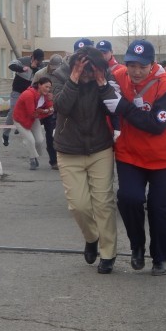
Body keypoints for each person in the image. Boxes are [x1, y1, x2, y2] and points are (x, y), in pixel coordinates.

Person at [104, 40, 166, 276]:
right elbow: (101, 74)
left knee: (160, 209)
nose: (136, 72)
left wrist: (123, 107)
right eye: (132, 65)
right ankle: (137, 245)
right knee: (129, 199)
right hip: (131, 154)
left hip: (165, 157)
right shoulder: (119, 76)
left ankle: (160, 257)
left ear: (152, 65)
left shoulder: (165, 87)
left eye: (142, 66)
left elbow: (156, 126)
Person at [52, 45, 118, 274]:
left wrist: (102, 84)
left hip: (100, 148)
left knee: (104, 203)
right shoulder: (61, 75)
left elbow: (114, 111)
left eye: (94, 70)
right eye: (86, 70)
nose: (89, 74)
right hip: (69, 150)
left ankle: (108, 253)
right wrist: (74, 79)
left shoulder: (104, 77)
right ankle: (91, 237)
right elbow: (61, 106)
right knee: (78, 205)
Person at [2, 48, 45, 146]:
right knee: (13, 111)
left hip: (29, 92)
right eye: (37, 60)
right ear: (33, 57)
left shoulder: (40, 66)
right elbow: (11, 65)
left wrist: (34, 68)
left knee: (29, 111)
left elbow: (41, 76)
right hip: (17, 91)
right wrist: (22, 69)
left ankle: (20, 128)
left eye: (40, 60)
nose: (39, 62)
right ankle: (5, 133)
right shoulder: (23, 60)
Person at [12, 77, 53, 170]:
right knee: (30, 140)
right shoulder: (28, 94)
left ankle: (34, 154)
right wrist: (46, 110)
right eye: (46, 87)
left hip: (33, 118)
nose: (48, 89)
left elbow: (50, 108)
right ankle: (32, 159)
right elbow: (32, 112)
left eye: (49, 87)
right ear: (39, 85)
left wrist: (47, 107)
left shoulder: (46, 96)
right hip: (20, 119)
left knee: (39, 140)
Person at [33, 54, 63, 170]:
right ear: (49, 64)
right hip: (40, 109)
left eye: (57, 67)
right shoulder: (40, 74)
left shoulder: (63, 75)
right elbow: (32, 90)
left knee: (52, 136)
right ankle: (34, 155)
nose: (55, 70)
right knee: (36, 137)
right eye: (53, 67)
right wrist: (43, 94)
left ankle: (54, 161)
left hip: (54, 110)